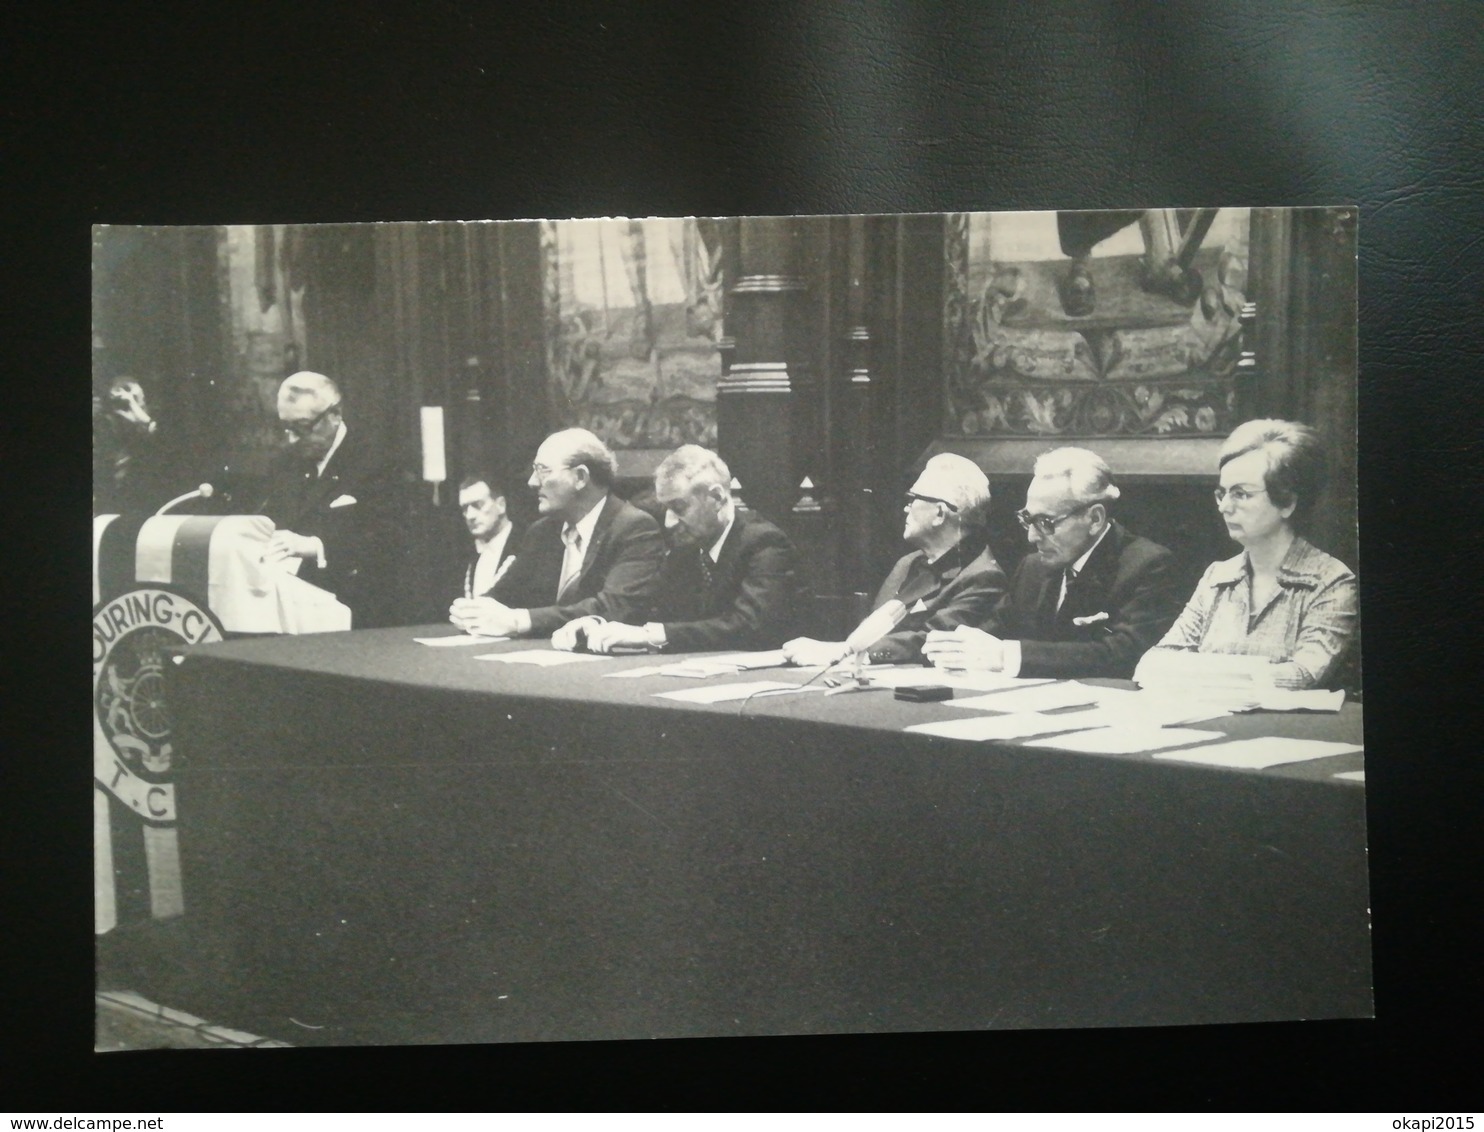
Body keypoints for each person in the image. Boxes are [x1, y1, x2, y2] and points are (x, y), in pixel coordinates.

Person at [922, 447, 1182, 679]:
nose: (1032, 536)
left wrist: (1006, 655)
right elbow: (994, 630)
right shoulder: (1032, 568)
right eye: (1027, 519)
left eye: (1046, 523)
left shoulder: (1148, 565)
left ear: (1095, 519)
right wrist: (956, 645)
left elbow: (1123, 654)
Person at [1139, 419, 1357, 690]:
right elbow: (1153, 662)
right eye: (1222, 494)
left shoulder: (1331, 581)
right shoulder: (1218, 576)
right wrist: (1249, 673)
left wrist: (1198, 670)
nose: (1224, 507)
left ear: (1287, 502)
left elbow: (1303, 675)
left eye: (1241, 494)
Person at [555, 445, 800, 653]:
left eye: (679, 507)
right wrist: (595, 624)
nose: (669, 521)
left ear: (716, 498)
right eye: (665, 509)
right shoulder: (687, 547)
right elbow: (649, 607)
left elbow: (748, 625)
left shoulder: (764, 543)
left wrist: (649, 635)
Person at [782, 453, 1006, 668]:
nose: (905, 508)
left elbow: (933, 640)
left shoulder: (983, 576)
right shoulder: (907, 564)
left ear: (940, 513)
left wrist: (843, 652)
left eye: (913, 499)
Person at [449, 428, 664, 638]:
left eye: (543, 470)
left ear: (580, 477)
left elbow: (615, 608)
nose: (532, 482)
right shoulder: (542, 532)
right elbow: (503, 596)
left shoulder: (634, 528)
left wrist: (518, 621)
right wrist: (473, 611)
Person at [252, 371, 397, 626]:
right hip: (290, 610)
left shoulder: (378, 461)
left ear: (335, 414)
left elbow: (391, 539)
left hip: (358, 612)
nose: (292, 439)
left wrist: (317, 546)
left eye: (303, 427)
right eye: (286, 427)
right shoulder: (284, 464)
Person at [455, 471, 519, 600]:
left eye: (478, 505)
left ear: (501, 505)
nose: (470, 515)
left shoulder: (526, 545)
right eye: (465, 509)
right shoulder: (465, 556)